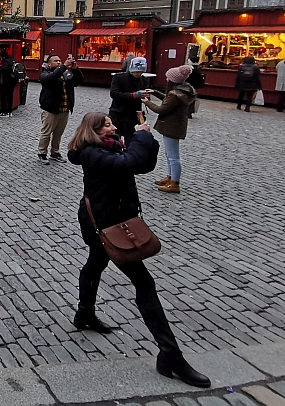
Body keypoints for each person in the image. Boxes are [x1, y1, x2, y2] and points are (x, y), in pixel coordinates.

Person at [67, 113, 210, 389]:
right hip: (106, 226)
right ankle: (170, 354)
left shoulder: (113, 146)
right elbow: (128, 163)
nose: (114, 126)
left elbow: (141, 165)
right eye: (107, 124)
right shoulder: (90, 153)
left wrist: (144, 138)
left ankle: (84, 314)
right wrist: (142, 136)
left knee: (95, 264)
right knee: (144, 282)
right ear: (93, 130)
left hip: (113, 220)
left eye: (112, 123)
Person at [142, 65, 196, 194]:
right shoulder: (182, 91)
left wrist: (146, 102)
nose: (166, 80)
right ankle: (171, 177)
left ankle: (175, 183)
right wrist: (155, 92)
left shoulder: (175, 94)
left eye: (168, 78)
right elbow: (168, 100)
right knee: (169, 154)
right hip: (174, 125)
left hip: (172, 126)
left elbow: (161, 109)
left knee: (173, 156)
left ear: (173, 80)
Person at [37, 54, 83, 164]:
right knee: (46, 133)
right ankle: (42, 153)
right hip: (50, 110)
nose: (59, 62)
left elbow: (78, 81)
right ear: (49, 64)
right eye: (56, 61)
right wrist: (63, 66)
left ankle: (55, 152)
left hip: (64, 109)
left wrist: (76, 70)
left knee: (58, 133)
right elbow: (51, 78)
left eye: (59, 60)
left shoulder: (65, 74)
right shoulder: (45, 74)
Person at [109, 56, 151, 147]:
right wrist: (133, 95)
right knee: (115, 140)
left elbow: (143, 97)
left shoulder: (144, 80)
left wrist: (146, 97)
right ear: (131, 69)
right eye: (136, 71)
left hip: (134, 116)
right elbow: (114, 93)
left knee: (132, 142)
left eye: (141, 72)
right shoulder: (119, 77)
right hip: (119, 114)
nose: (138, 74)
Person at [0, 50, 17, 118]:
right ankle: (10, 111)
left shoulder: (5, 61)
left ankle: (4, 112)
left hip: (7, 80)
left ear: (2, 56)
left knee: (4, 95)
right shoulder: (13, 60)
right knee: (10, 95)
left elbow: (4, 69)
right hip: (14, 80)